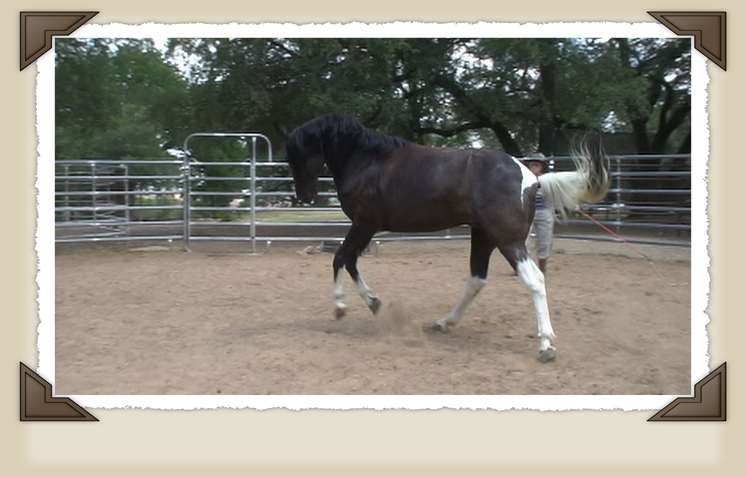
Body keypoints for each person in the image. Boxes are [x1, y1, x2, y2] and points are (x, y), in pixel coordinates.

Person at [523, 153, 554, 274]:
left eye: (537, 164)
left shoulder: (549, 180)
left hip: (544, 212)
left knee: (545, 240)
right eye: (532, 164)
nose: (534, 167)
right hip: (526, 212)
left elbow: (558, 193)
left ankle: (542, 268)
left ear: (542, 166)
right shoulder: (524, 178)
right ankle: (524, 267)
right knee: (523, 241)